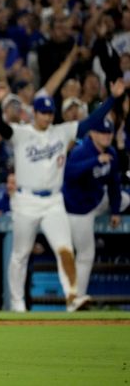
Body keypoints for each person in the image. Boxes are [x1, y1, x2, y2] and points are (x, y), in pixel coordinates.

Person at [0, 79, 124, 312]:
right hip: (26, 200)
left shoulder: (62, 132)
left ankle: (72, 297)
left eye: (50, 112)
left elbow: (91, 122)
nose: (47, 117)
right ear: (35, 114)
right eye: (43, 112)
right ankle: (17, 303)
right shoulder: (22, 133)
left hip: (53, 200)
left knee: (65, 248)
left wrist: (112, 98)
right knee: (20, 254)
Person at [63, 118, 127, 301]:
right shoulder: (81, 151)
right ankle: (77, 298)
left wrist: (115, 211)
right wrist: (95, 161)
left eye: (109, 133)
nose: (107, 136)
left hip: (97, 201)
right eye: (102, 133)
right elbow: (68, 174)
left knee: (124, 199)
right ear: (92, 133)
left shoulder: (111, 152)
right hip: (78, 209)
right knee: (86, 253)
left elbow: (114, 184)